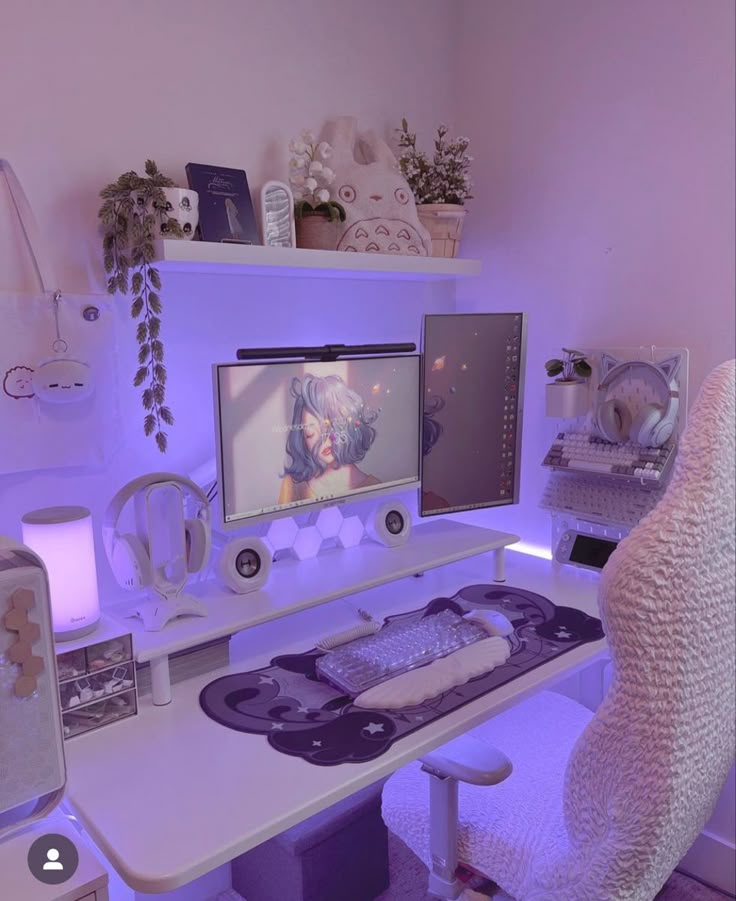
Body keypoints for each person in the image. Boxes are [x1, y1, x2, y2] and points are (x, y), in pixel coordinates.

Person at [279, 374, 380, 504]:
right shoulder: (292, 486)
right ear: (303, 440)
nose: (323, 440)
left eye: (328, 427)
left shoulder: (373, 486)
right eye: (310, 434)